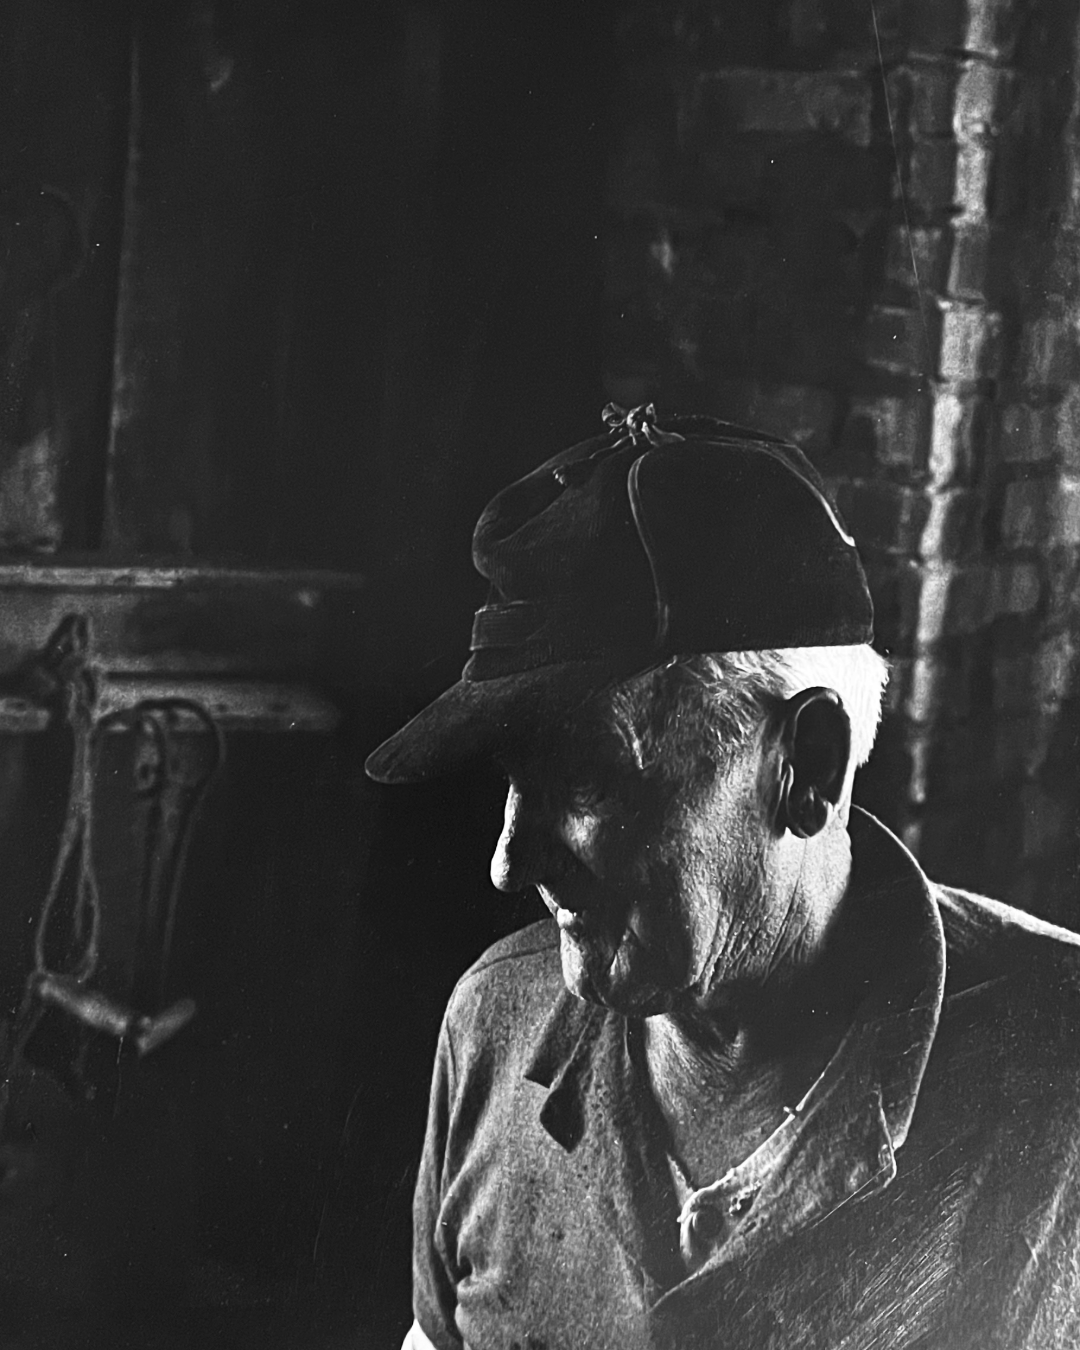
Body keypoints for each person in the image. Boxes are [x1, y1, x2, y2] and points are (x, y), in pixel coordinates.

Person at [366, 404, 1080, 1350]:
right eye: (511, 781)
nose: (507, 862)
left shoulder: (1057, 1081)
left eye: (584, 777)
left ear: (808, 767)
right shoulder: (494, 1023)